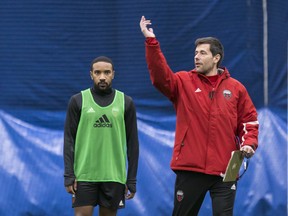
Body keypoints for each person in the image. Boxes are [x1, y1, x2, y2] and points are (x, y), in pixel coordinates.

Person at [139, 16, 259, 216]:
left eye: (202, 53)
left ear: (216, 57)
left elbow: (248, 121)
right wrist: (151, 42)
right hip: (190, 168)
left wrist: (249, 143)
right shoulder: (182, 81)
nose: (196, 57)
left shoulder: (236, 88)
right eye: (195, 53)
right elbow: (160, 77)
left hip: (225, 169)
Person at [63, 56, 139, 216]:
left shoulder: (126, 102)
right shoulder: (77, 101)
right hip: (84, 175)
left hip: (114, 176)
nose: (102, 76)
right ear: (91, 74)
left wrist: (131, 179)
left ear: (113, 74)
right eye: (97, 72)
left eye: (107, 72)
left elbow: (133, 144)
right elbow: (69, 140)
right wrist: (69, 174)